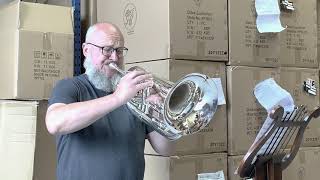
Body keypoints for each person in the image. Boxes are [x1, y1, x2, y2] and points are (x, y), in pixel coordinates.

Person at [45, 22, 175, 180]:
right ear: (86, 50)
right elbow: (54, 123)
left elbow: (166, 149)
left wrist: (160, 110)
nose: (115, 57)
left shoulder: (136, 96)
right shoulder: (71, 87)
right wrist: (118, 98)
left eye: (119, 51)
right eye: (107, 49)